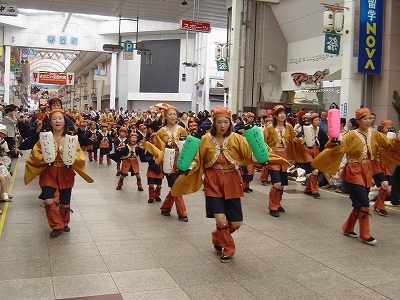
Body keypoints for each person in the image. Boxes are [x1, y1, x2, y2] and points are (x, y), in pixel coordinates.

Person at [170, 106, 289, 262]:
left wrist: (261, 157)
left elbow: (250, 153)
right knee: (220, 219)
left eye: (226, 122)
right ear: (214, 123)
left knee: (236, 223)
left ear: (229, 122)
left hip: (232, 179)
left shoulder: (237, 138)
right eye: (219, 122)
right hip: (212, 180)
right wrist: (187, 167)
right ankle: (228, 248)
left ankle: (217, 236)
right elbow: (196, 159)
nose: (222, 125)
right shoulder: (205, 139)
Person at [312, 108, 400, 245]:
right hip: (353, 171)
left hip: (367, 170)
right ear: (358, 120)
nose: (368, 121)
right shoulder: (351, 135)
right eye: (365, 118)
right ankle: (365, 234)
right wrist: (335, 141)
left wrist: (397, 138)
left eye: (370, 118)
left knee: (359, 204)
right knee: (364, 204)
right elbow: (338, 148)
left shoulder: (375, 134)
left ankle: (347, 227)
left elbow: (388, 145)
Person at [24, 109, 93, 238]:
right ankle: (56, 225)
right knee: (48, 200)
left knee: (65, 201)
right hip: (48, 172)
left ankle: (64, 222)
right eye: (54, 119)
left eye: (60, 118)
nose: (57, 121)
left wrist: (69, 156)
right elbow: (35, 154)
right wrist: (44, 156)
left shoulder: (71, 138)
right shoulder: (44, 138)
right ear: (50, 122)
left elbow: (79, 155)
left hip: (65, 172)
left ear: (64, 121)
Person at [144, 103, 189, 222]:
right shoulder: (160, 132)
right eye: (170, 114)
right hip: (168, 162)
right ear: (165, 116)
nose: (173, 116)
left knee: (176, 186)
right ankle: (182, 213)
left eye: (175, 114)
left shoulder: (182, 130)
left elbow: (187, 147)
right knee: (176, 186)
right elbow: (158, 149)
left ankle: (165, 207)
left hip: (181, 160)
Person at [263, 105, 308, 217]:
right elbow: (263, 143)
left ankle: (277, 203)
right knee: (277, 184)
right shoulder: (269, 128)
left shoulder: (289, 127)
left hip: (284, 157)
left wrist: (303, 140)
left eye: (284, 113)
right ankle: (272, 207)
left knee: (282, 185)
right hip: (273, 156)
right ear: (275, 115)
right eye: (280, 113)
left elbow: (293, 140)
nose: (283, 115)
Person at [298, 113, 328, 199]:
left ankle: (308, 189)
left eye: (318, 120)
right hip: (308, 150)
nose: (317, 122)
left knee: (315, 171)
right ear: (311, 121)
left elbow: (325, 141)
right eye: (316, 120)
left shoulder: (320, 130)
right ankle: (315, 191)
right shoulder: (306, 129)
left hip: (317, 150)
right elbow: (298, 137)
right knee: (315, 170)